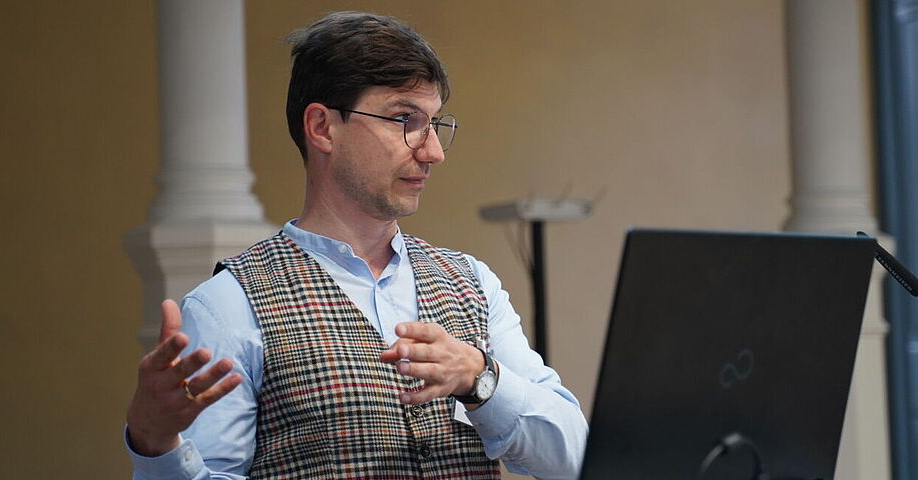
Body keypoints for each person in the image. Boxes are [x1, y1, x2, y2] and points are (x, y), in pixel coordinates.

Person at [124, 11, 588, 480]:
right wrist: (156, 445)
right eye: (404, 119)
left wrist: (481, 378)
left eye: (434, 124)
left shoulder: (473, 283)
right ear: (322, 127)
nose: (433, 152)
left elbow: (576, 460)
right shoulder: (228, 305)